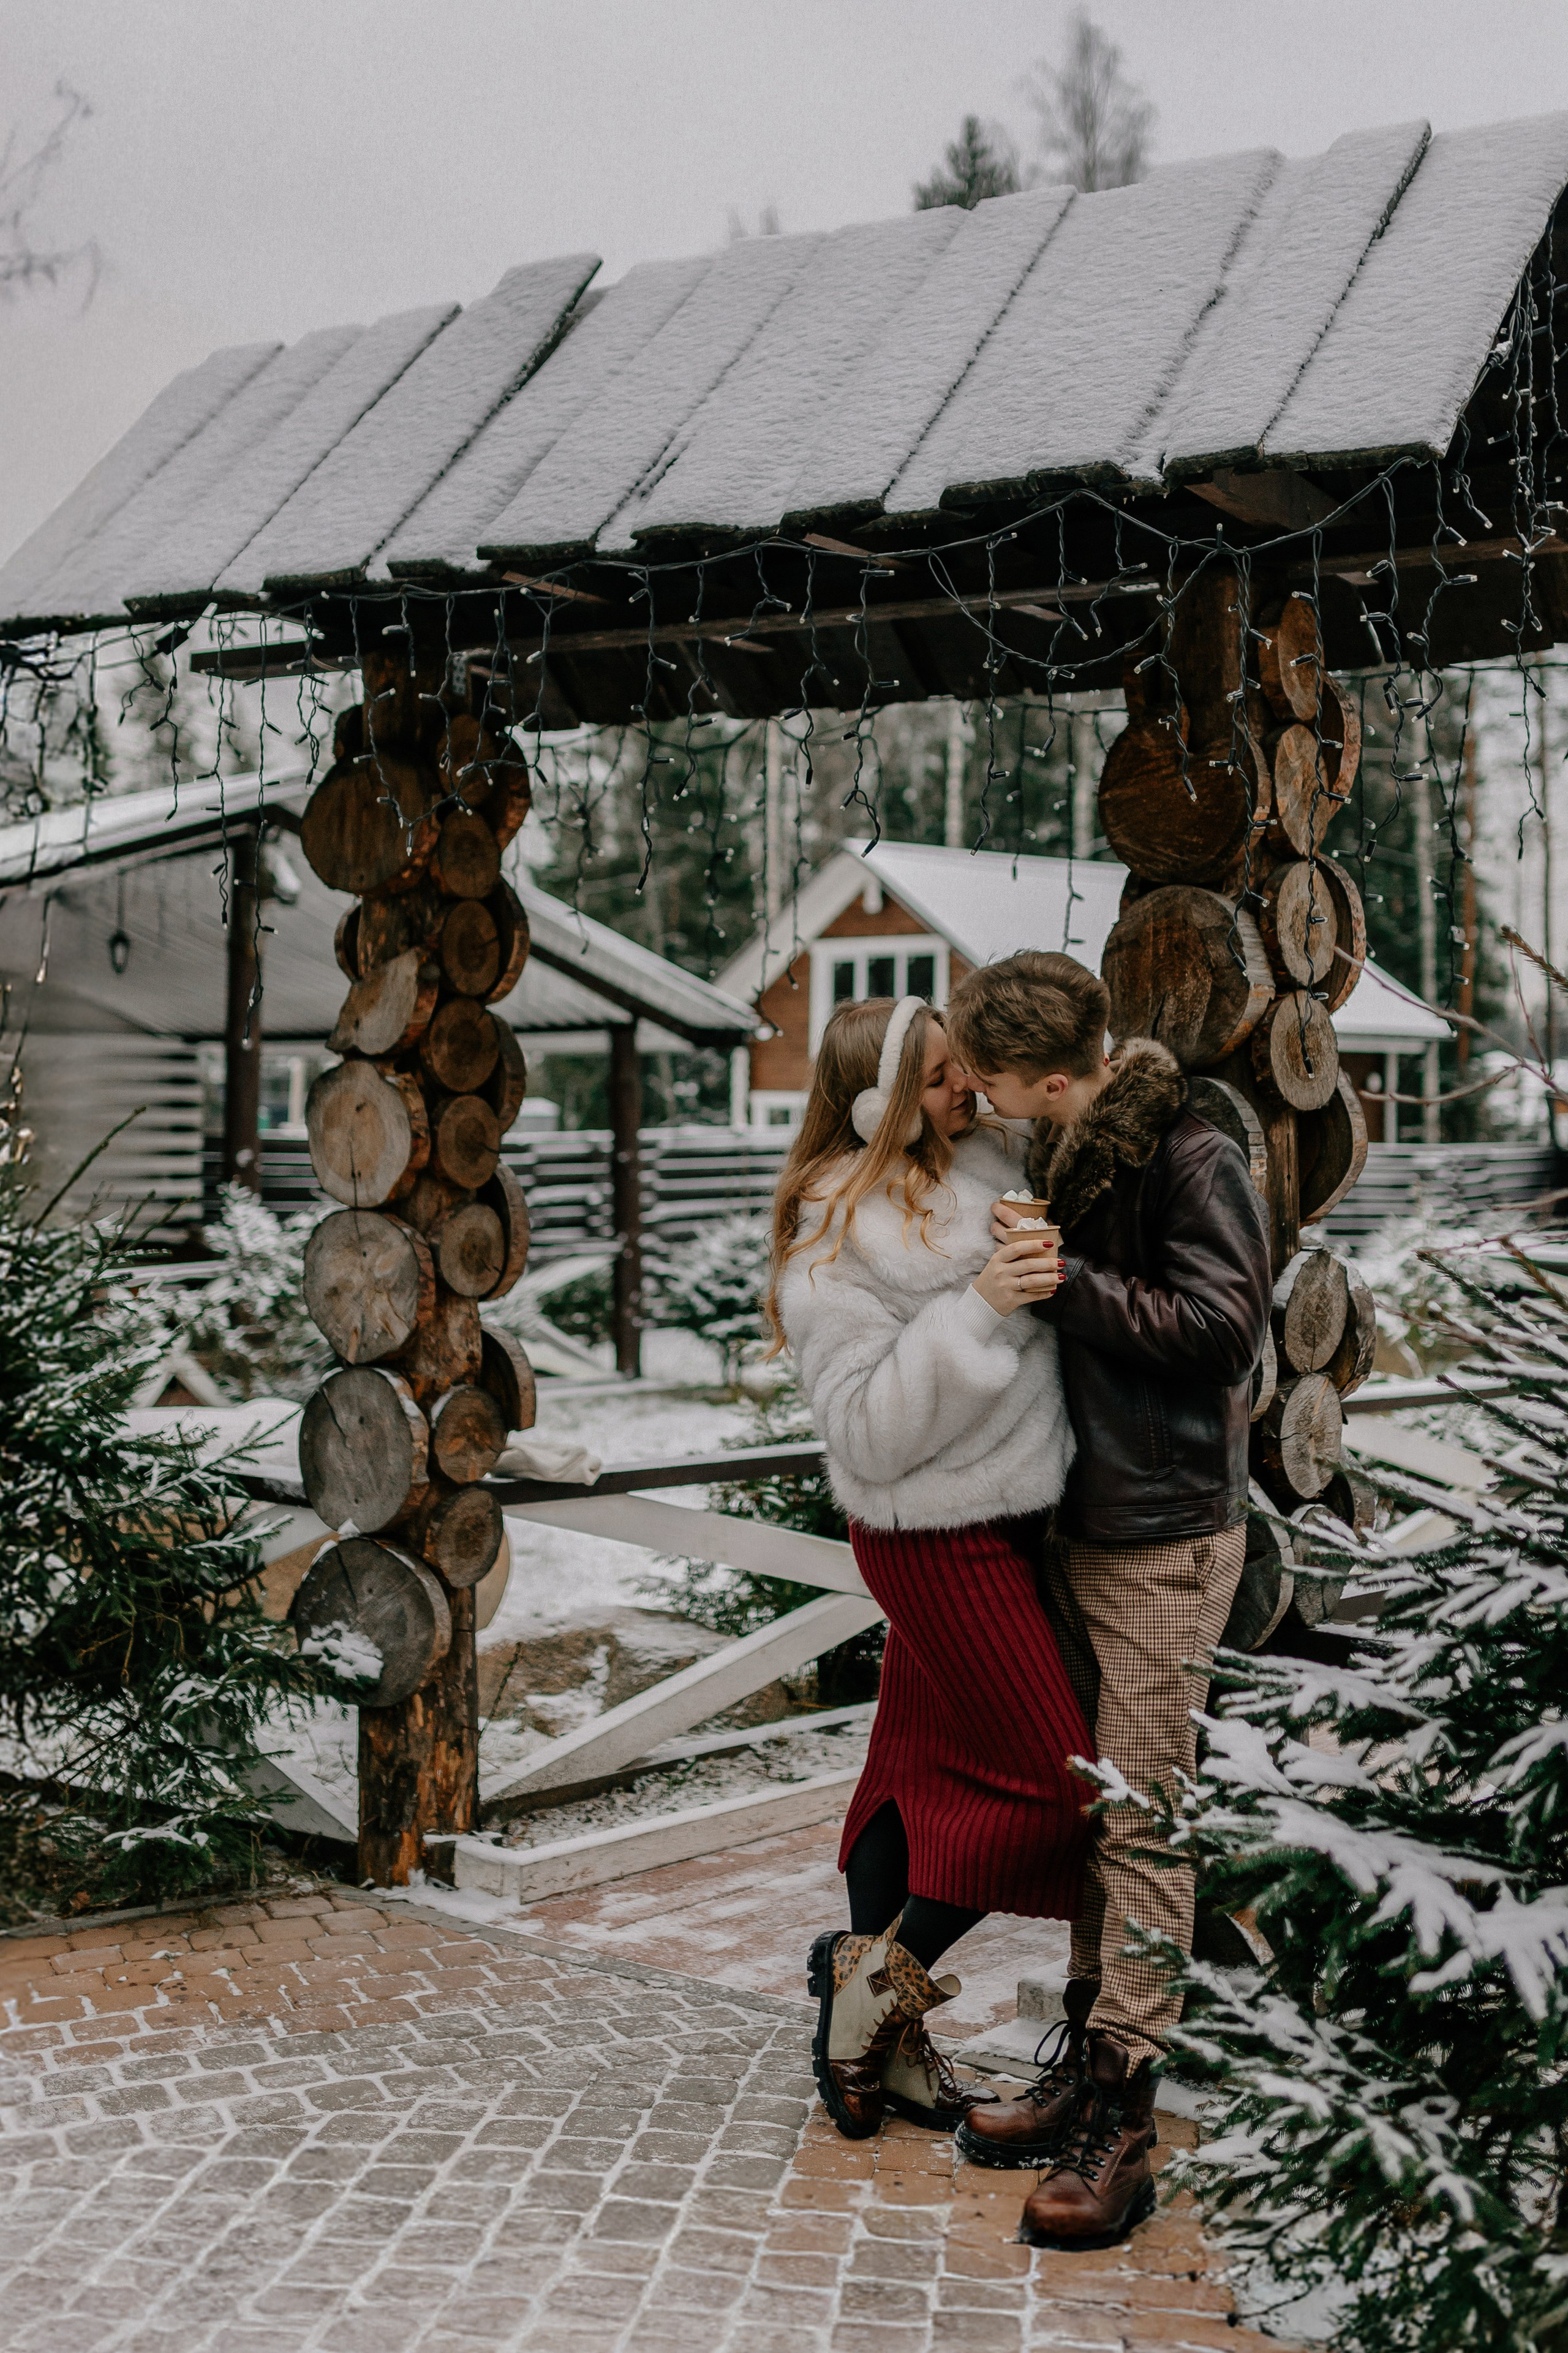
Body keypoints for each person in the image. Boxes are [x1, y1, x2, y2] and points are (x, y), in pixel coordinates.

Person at [943, 950, 1271, 2252]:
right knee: (1099, 1811)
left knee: (1142, 1822)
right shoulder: (1076, 1149)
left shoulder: (1188, 1155)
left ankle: (1124, 2119)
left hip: (1162, 1537)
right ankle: (1089, 2064)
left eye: (999, 1083)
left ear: (1065, 1079)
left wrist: (1062, 1283)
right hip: (1083, 1521)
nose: (984, 1099)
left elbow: (1223, 1329)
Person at [769, 992, 1091, 2143]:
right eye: (945, 1075)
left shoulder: (991, 1160)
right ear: (879, 1102)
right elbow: (864, 1429)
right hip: (927, 1532)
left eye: (971, 1070)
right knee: (1062, 1782)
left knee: (910, 1763)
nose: (971, 1088)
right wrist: (985, 1308)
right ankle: (872, 2001)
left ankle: (889, 2049)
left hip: (1012, 1521)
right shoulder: (833, 1226)